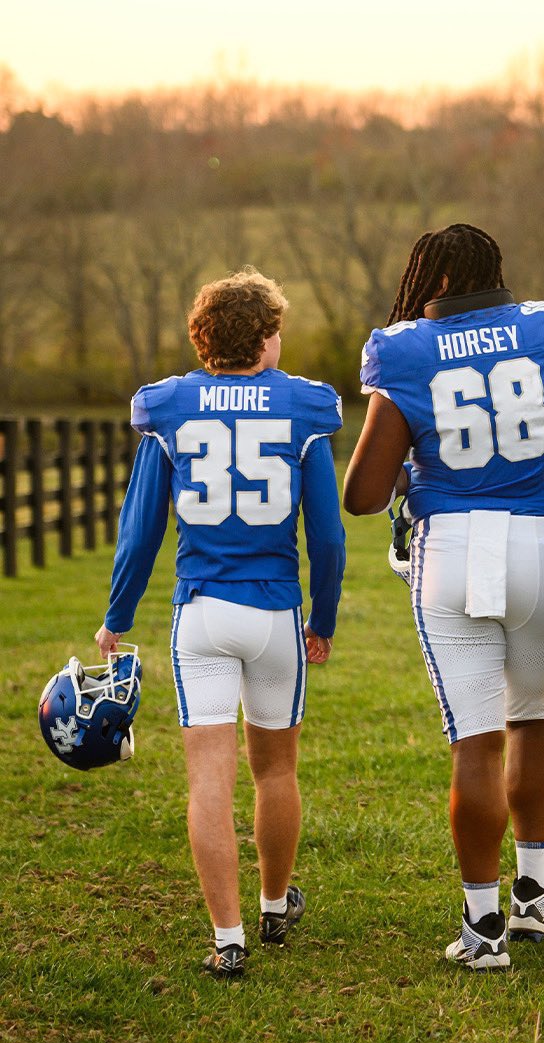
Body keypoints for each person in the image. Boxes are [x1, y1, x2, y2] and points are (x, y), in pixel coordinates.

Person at [342, 224, 544, 969]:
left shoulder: (404, 347)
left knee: (476, 743)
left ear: (429, 283)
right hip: (540, 546)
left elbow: (362, 493)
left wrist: (415, 459)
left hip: (457, 551)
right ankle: (535, 899)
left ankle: (483, 934)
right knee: (534, 721)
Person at [95, 268, 346, 979]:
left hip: (201, 612)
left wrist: (116, 616)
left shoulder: (169, 407)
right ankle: (272, 906)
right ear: (266, 338)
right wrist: (321, 617)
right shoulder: (303, 407)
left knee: (209, 778)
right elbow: (326, 537)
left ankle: (228, 938)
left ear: (203, 338)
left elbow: (140, 531)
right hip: (274, 613)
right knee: (275, 770)